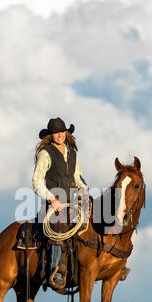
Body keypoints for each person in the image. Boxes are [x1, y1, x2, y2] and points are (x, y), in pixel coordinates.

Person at [32, 117, 89, 289]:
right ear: (51, 135)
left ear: (66, 133)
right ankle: (55, 271)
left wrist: (84, 189)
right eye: (56, 133)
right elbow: (37, 181)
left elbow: (77, 177)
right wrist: (52, 198)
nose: (60, 135)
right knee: (58, 230)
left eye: (62, 132)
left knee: (95, 221)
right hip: (54, 204)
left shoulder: (72, 153)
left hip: (72, 201)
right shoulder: (45, 154)